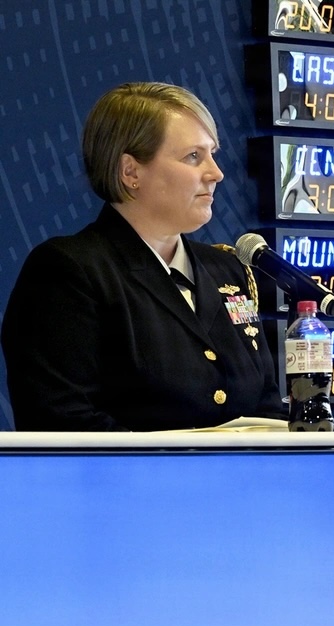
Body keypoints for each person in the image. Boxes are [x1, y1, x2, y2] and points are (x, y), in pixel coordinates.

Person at [0, 82, 286, 431]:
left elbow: (266, 409)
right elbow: (63, 422)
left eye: (213, 154)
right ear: (131, 172)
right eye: (193, 156)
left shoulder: (227, 270)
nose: (216, 173)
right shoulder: (70, 271)